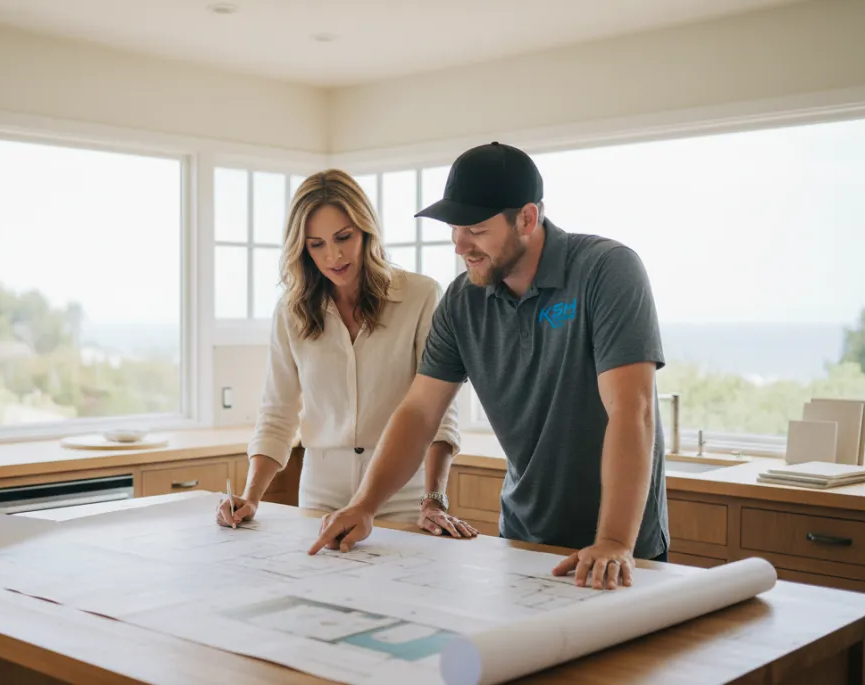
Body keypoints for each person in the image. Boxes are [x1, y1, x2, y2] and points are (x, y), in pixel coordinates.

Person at [307, 143, 669, 590]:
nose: (461, 245)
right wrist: (364, 506)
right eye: (456, 228)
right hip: (524, 542)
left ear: (527, 219)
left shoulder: (606, 271)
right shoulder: (462, 301)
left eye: (476, 229)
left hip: (622, 548)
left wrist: (614, 540)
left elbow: (632, 410)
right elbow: (419, 412)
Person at [216, 169, 478, 539]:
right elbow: (278, 412)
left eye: (344, 237)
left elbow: (437, 411)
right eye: (316, 244)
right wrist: (250, 497)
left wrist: (433, 499)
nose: (333, 255)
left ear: (366, 230)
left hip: (403, 491)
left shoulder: (421, 296)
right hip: (320, 490)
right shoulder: (291, 311)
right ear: (301, 248)